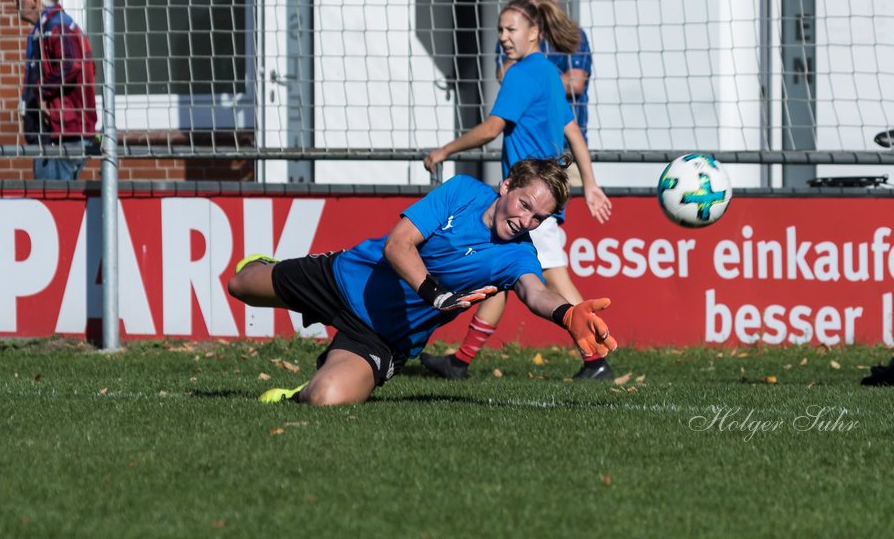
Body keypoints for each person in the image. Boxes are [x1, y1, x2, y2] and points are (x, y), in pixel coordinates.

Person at [227, 157, 618, 406]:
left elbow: (534, 292)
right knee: (240, 286)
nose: (525, 220)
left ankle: (296, 394)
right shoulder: (463, 192)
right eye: (524, 204)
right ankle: (268, 265)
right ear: (506, 186)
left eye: (538, 218)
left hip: (381, 336)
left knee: (326, 399)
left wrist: (567, 313)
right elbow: (399, 245)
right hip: (344, 276)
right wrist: (436, 295)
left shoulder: (518, 254)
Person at [422, 0, 615, 380]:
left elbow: (493, 128)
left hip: (528, 204)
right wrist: (590, 183)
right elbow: (573, 132)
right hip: (539, 200)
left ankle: (596, 360)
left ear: (534, 33)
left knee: (555, 281)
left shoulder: (523, 73)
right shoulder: (546, 71)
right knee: (497, 282)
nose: (504, 38)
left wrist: (445, 149)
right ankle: (459, 363)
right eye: (501, 31)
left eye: (511, 30)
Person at [0, 0, 97, 181]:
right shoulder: (48, 28)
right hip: (57, 134)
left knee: (53, 201)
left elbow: (72, 65)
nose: (15, 2)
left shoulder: (56, 27)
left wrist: (42, 93)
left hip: (62, 138)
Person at [497, 0, 594, 151]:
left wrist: (533, 80)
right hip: (526, 146)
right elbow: (504, 76)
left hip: (566, 148)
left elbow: (574, 84)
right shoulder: (509, 33)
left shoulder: (574, 34)